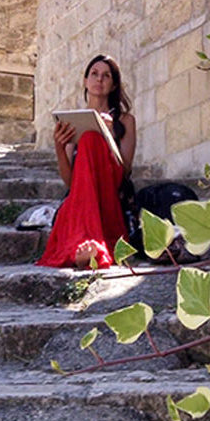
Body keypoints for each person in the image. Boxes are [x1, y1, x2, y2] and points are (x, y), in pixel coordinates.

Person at [36, 54, 136, 269]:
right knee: (88, 140)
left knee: (91, 139)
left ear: (113, 84)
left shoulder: (126, 121)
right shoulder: (75, 119)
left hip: (111, 184)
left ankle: (89, 244)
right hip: (82, 190)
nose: (99, 79)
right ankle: (85, 245)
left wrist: (108, 135)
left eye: (106, 76)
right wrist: (59, 148)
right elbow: (70, 182)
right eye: (94, 74)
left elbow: (126, 170)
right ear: (85, 81)